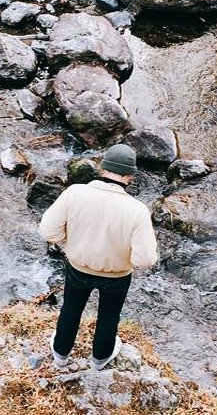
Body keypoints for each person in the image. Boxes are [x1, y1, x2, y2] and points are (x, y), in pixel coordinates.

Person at [37, 144, 158, 370]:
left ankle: (61, 357)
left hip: (78, 267)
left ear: (102, 168)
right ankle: (99, 361)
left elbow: (47, 231)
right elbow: (145, 259)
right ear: (130, 176)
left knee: (71, 310)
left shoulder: (74, 193)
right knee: (109, 317)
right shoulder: (137, 209)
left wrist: (68, 243)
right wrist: (123, 257)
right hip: (117, 276)